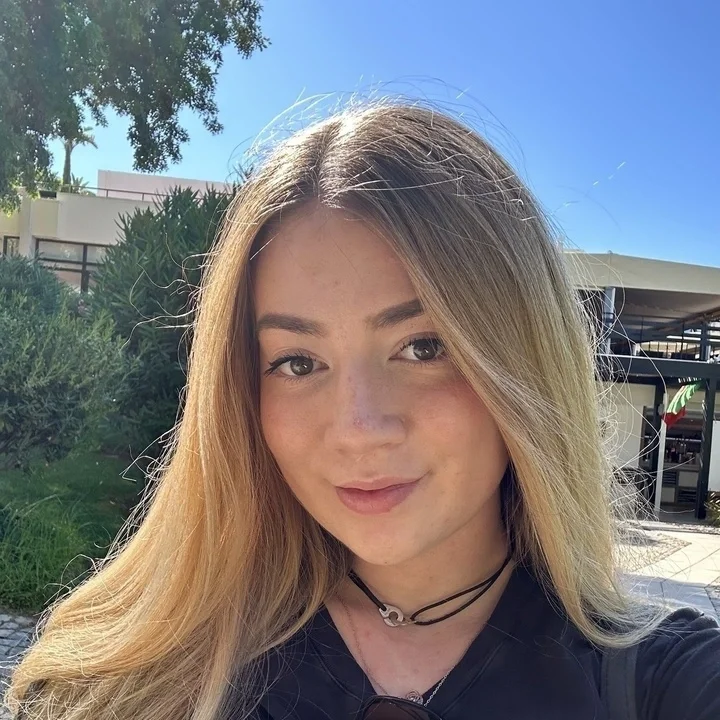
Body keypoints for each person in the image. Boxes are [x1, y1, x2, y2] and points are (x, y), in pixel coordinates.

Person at [6, 101, 720, 720]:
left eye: (423, 347)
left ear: (523, 360)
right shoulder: (129, 681)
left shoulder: (663, 681)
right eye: (297, 362)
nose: (358, 428)